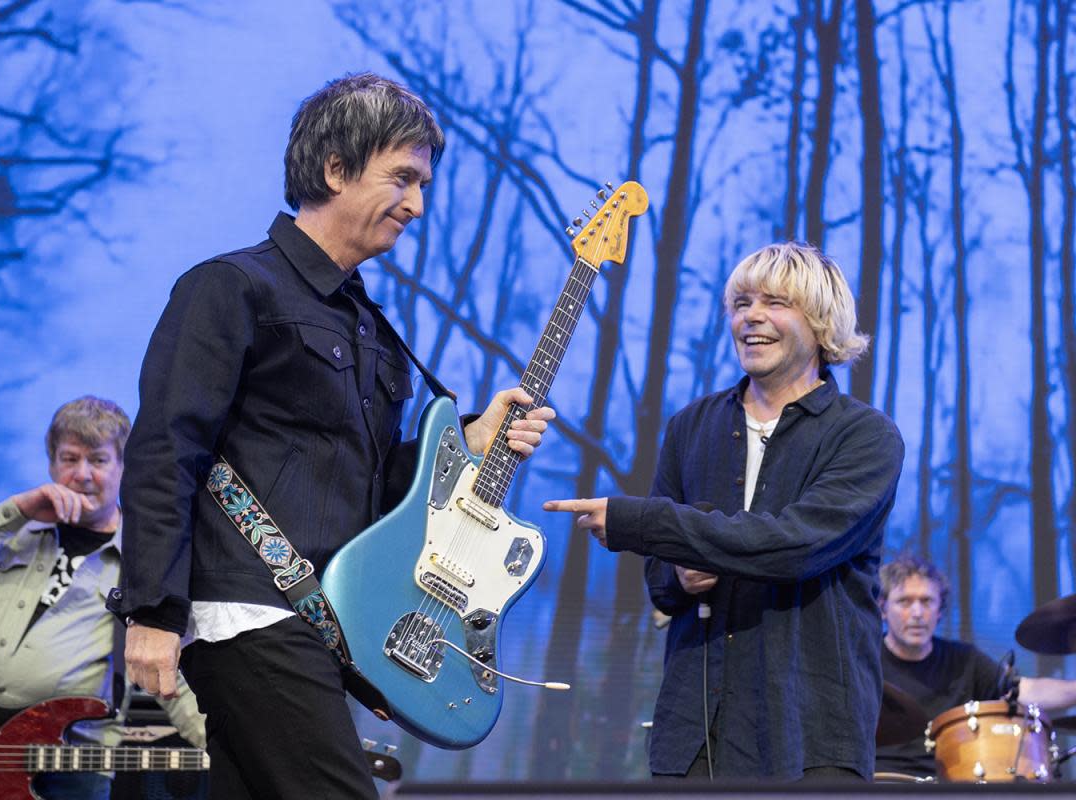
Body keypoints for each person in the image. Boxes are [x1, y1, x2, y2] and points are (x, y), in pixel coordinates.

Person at [114, 73, 555, 800]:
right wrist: (153, 612)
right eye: (403, 178)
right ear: (335, 169)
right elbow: (166, 447)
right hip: (247, 613)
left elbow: (376, 490)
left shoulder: (375, 333)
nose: (418, 204)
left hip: (325, 625)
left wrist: (467, 443)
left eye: (424, 184)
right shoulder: (231, 288)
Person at [545, 242, 905, 781]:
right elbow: (659, 583)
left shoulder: (864, 437)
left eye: (775, 302)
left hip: (810, 735)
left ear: (822, 321)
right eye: (740, 303)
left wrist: (637, 522)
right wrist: (678, 575)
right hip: (694, 732)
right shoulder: (691, 426)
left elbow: (794, 546)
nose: (751, 317)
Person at [0, 396, 206, 800]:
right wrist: (16, 510)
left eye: (98, 460)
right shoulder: (13, 536)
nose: (82, 474)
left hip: (70, 772)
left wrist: (230, 749)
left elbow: (174, 673)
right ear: (52, 464)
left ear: (124, 467)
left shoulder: (144, 562)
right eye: (69, 459)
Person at [876, 553, 1076, 778]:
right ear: (882, 608)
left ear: (940, 610)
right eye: (904, 601)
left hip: (950, 786)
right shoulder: (866, 661)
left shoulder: (965, 661)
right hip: (878, 783)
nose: (917, 613)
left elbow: (1025, 691)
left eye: (927, 601)